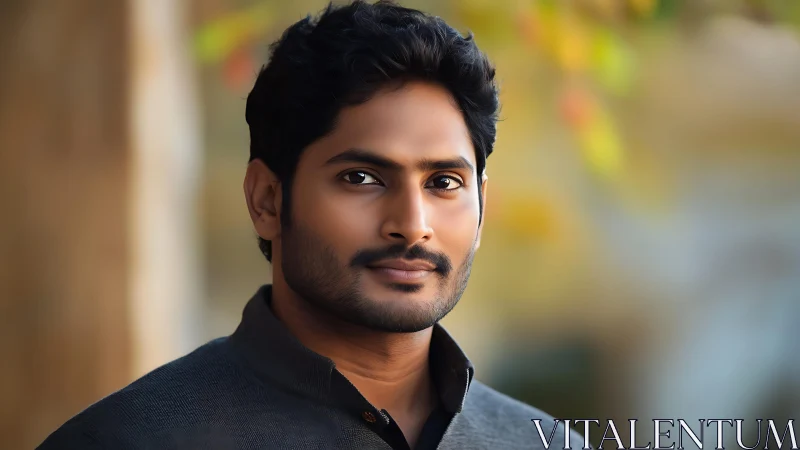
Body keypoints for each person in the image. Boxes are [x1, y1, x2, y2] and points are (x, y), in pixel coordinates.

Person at [39, 1, 584, 449]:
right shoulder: (127, 439)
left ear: (482, 205)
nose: (412, 225)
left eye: (443, 182)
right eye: (363, 177)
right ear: (268, 200)